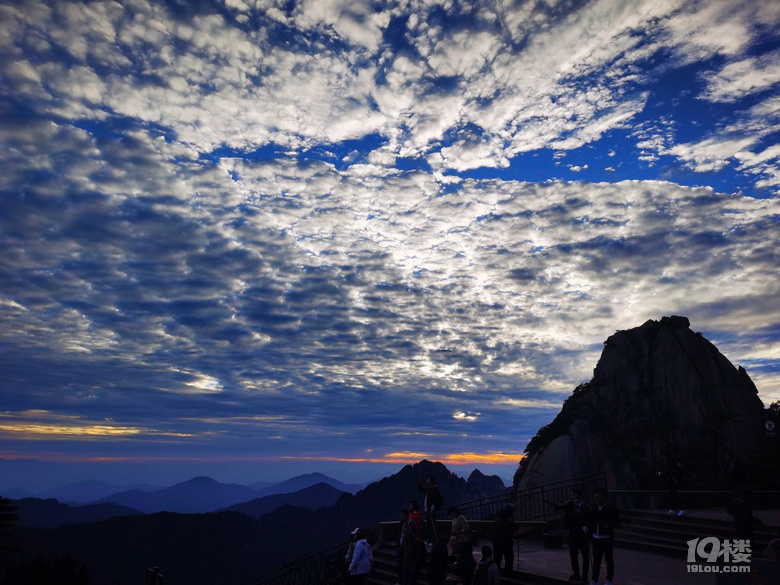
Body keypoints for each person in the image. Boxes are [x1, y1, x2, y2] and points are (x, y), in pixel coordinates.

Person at [553, 489, 590, 583]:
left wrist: (586, 526)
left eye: (573, 494)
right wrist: (555, 505)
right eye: (571, 494)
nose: (571, 496)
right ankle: (576, 573)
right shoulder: (569, 504)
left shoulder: (585, 507)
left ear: (577, 495)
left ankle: (585, 575)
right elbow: (561, 507)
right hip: (573, 534)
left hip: (582, 535)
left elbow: (589, 519)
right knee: (573, 555)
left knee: (585, 556)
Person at [589, 487, 620, 585]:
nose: (596, 496)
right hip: (596, 537)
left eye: (598, 494)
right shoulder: (593, 507)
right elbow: (590, 519)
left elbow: (617, 522)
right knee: (596, 560)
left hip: (606, 538)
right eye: (595, 494)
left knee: (608, 559)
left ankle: (609, 579)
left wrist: (609, 525)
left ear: (604, 496)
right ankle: (594, 579)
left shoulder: (611, 508)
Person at [491, 505, 517, 576]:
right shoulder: (509, 518)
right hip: (505, 541)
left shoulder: (499, 516)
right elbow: (511, 528)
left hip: (496, 540)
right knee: (509, 557)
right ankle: (508, 573)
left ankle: (495, 573)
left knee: (497, 558)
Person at [418, 476, 444, 543]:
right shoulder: (428, 489)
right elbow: (421, 489)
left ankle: (434, 540)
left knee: (432, 526)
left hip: (431, 511)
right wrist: (419, 483)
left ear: (431, 482)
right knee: (430, 525)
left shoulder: (434, 489)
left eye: (428, 480)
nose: (427, 481)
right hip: (428, 510)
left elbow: (434, 500)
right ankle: (431, 539)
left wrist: (432, 509)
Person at [658, 451, 685, 515]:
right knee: (674, 495)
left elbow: (666, 472)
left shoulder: (669, 462)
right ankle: (674, 509)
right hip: (674, 481)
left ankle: (680, 509)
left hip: (673, 481)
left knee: (675, 495)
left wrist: (660, 473)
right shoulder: (672, 462)